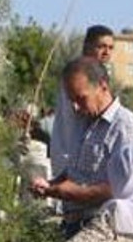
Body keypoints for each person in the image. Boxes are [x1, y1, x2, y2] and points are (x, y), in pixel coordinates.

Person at [31, 58, 133, 239]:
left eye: (81, 98)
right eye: (72, 101)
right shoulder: (86, 124)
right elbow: (78, 173)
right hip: (76, 225)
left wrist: (74, 192)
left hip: (105, 230)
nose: (76, 107)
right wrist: (51, 185)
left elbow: (125, 188)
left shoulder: (126, 128)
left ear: (102, 86)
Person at [50, 25, 116, 177]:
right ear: (87, 47)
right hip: (71, 158)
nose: (107, 52)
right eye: (101, 47)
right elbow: (86, 110)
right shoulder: (78, 76)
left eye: (111, 48)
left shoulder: (93, 76)